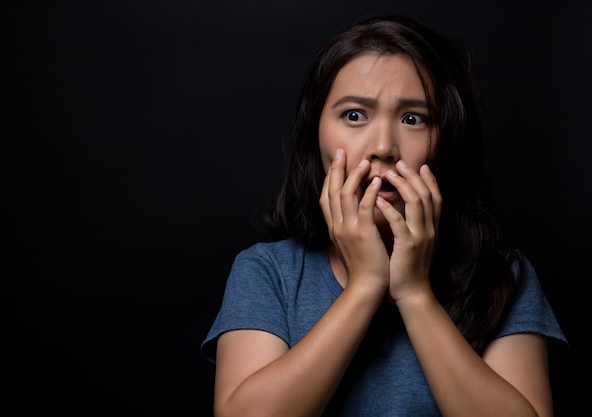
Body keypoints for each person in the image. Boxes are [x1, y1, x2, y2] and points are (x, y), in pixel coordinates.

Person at [201, 14, 568, 417]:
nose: (383, 147)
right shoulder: (267, 272)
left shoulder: (503, 277)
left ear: (446, 140)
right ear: (316, 135)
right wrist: (365, 286)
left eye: (414, 118)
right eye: (355, 115)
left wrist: (414, 294)